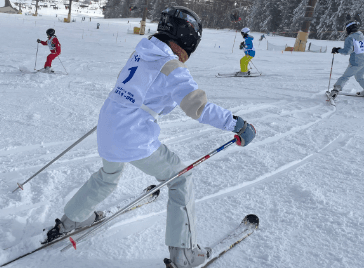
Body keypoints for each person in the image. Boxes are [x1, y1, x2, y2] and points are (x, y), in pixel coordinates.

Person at [43, 6, 256, 268]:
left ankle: (72, 219)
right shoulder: (171, 66)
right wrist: (236, 124)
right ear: (188, 40)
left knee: (107, 177)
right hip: (132, 135)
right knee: (181, 177)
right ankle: (184, 254)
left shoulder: (142, 52)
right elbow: (197, 107)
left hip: (109, 122)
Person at [327, 18, 364, 99]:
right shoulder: (362, 36)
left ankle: (335, 91)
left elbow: (347, 51)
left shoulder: (350, 38)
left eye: (346, 28)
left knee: (345, 76)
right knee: (359, 76)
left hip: (356, 62)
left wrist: (337, 50)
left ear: (349, 29)